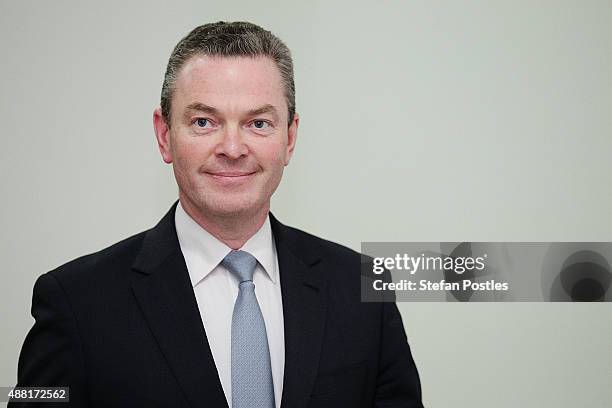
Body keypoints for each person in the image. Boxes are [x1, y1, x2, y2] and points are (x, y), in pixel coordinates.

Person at [11, 21, 423, 407]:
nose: (232, 147)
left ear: (290, 138)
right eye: (204, 121)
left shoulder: (363, 289)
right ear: (164, 134)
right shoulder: (76, 303)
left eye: (258, 123)